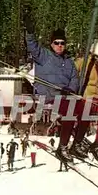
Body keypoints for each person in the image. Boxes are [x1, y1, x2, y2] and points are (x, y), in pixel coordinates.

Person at [24, 11, 79, 163]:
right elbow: (33, 47)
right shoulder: (44, 55)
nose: (60, 46)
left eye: (62, 43)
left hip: (64, 96)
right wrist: (30, 33)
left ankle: (77, 140)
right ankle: (62, 146)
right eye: (57, 43)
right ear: (51, 44)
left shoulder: (69, 62)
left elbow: (75, 78)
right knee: (69, 109)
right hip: (47, 95)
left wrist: (71, 89)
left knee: (83, 108)